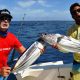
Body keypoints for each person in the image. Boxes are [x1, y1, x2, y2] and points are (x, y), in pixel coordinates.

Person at [0, 9, 26, 80]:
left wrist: (39, 50)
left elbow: (25, 53)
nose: (6, 21)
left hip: (6, 72)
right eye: (2, 18)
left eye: (8, 19)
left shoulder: (12, 37)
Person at [67, 3, 80, 80]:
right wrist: (59, 47)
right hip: (77, 62)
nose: (77, 13)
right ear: (72, 16)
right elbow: (66, 50)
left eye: (79, 10)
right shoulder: (70, 30)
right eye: (74, 12)